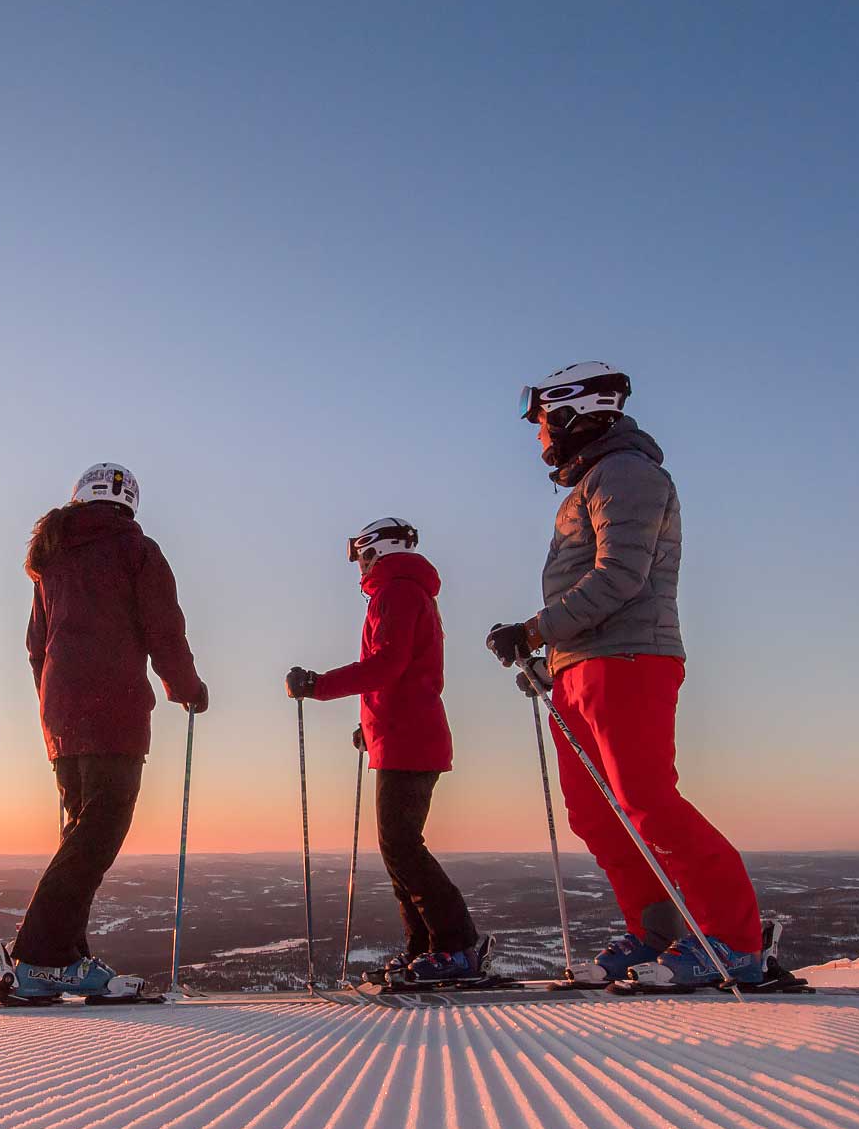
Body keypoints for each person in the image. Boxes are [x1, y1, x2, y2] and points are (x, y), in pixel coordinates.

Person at [488, 363, 764, 988]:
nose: (538, 439)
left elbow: (622, 575)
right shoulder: (589, 484)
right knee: (595, 814)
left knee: (646, 802)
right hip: (581, 666)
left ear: (573, 415)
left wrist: (535, 630)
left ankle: (735, 941)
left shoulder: (628, 473)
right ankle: (654, 934)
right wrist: (548, 657)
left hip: (631, 658)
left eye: (541, 425)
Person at [7, 462, 207, 998]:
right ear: (129, 504)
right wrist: (185, 687)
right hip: (112, 708)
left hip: (62, 715)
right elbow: (163, 627)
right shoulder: (135, 550)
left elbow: (36, 647)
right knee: (100, 831)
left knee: (81, 833)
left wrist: (53, 706)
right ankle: (40, 957)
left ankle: (66, 957)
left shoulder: (52, 559)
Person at [286, 518, 486, 985]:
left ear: (376, 551)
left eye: (359, 554)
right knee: (397, 846)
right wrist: (371, 727)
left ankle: (456, 946)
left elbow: (388, 664)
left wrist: (318, 686)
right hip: (404, 734)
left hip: (410, 738)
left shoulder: (396, 591)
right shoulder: (405, 591)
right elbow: (405, 674)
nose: (358, 565)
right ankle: (426, 947)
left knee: (401, 844)